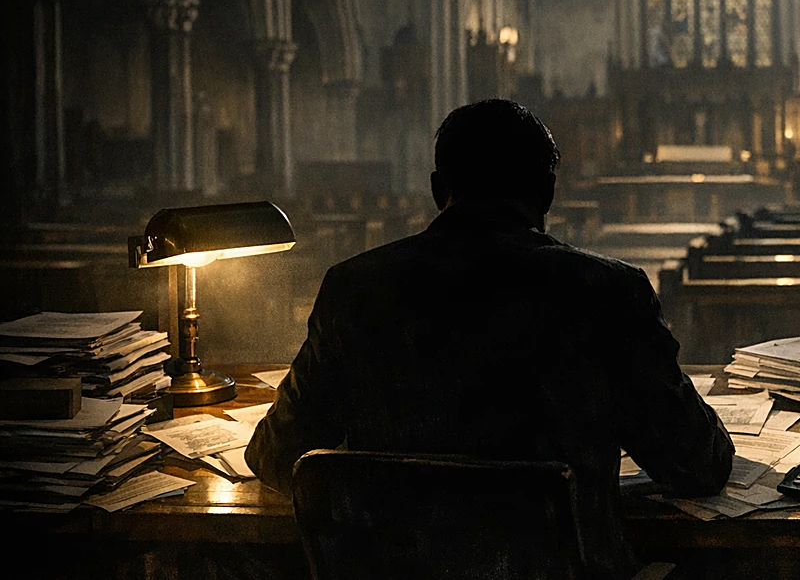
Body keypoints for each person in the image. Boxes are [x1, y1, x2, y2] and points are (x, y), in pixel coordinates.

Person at [246, 99, 733, 578]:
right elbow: (697, 462)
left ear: (439, 189)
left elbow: (274, 455)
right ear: (547, 191)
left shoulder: (353, 288)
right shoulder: (606, 292)